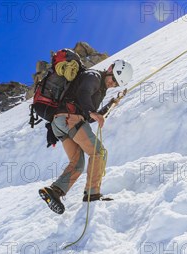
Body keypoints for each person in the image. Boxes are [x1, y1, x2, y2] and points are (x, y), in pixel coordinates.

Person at [39, 59, 133, 214]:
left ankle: (55, 191)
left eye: (117, 84)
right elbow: (84, 94)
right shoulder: (93, 76)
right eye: (113, 79)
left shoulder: (98, 87)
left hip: (61, 123)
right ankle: (93, 194)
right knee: (98, 152)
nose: (113, 84)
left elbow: (89, 116)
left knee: (77, 163)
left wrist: (110, 104)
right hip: (71, 119)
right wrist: (93, 112)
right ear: (110, 69)